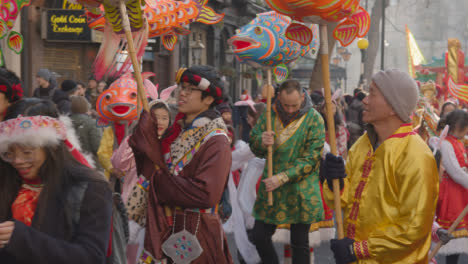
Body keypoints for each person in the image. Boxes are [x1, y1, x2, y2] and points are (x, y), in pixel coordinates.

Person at [322, 69, 439, 264]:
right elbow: (342, 201)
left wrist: (356, 249)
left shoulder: (417, 155)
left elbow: (413, 228)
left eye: (373, 93)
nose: (365, 101)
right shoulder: (362, 144)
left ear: (394, 106)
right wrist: (335, 181)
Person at [129, 65, 233, 263]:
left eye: (190, 89)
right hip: (169, 226)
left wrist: (159, 181)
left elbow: (205, 194)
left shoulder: (216, 140)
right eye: (182, 87)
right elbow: (151, 169)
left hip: (197, 232)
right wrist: (145, 142)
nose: (182, 94)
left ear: (209, 99)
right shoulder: (176, 132)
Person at [0, 115, 112, 264]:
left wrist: (22, 238)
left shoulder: (89, 187)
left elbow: (92, 256)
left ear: (52, 148)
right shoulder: (8, 180)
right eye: (9, 154)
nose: (17, 161)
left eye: (27, 153)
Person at [249, 80, 325, 264]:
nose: (290, 110)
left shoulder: (315, 119)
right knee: (259, 236)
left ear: (302, 97)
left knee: (299, 243)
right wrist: (262, 141)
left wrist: (282, 177)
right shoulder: (269, 114)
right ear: (278, 98)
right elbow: (254, 144)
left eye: (294, 105)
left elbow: (311, 159)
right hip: (272, 189)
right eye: (285, 105)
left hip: (300, 187)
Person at [436, 109, 468, 264]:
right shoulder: (447, 144)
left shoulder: (459, 142)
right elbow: (455, 171)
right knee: (454, 241)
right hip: (453, 194)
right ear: (460, 126)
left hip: (462, 192)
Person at [70, 95, 102, 162]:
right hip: (90, 163)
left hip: (71, 162)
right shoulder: (92, 123)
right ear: (86, 107)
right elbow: (98, 148)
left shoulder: (65, 122)